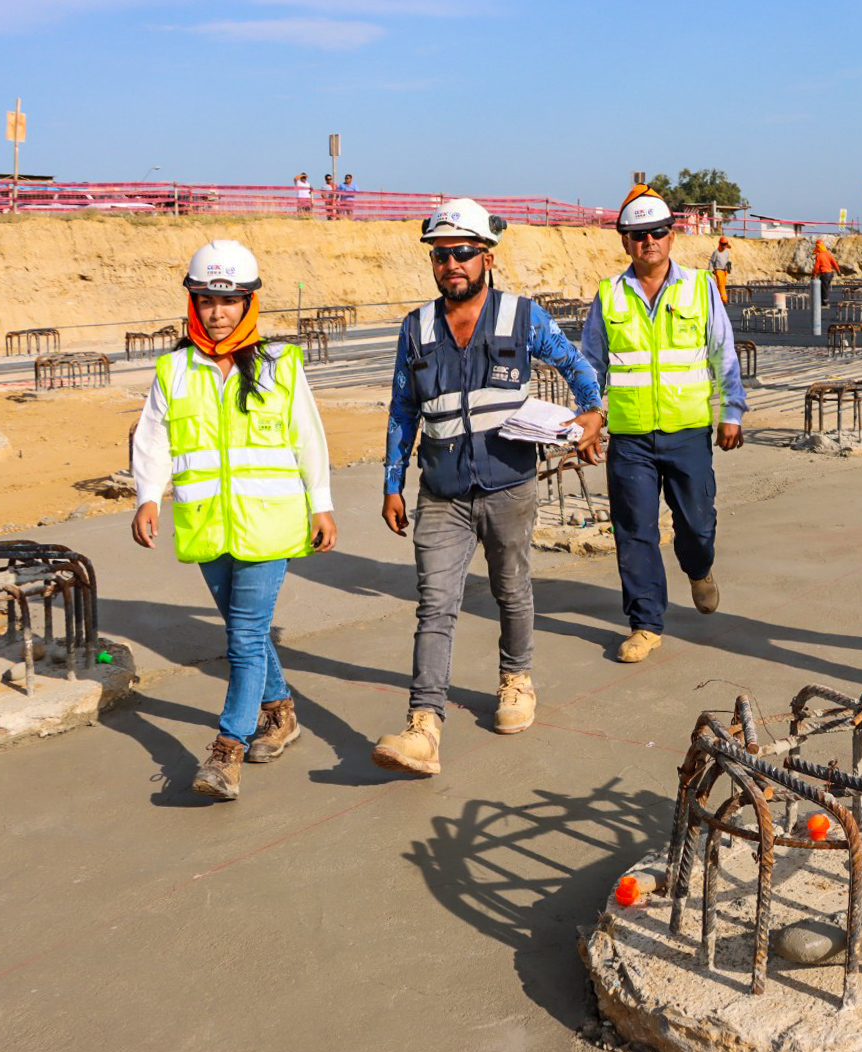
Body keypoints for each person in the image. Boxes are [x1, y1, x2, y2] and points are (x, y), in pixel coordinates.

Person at [374, 198, 605, 776]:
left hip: (508, 485)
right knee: (435, 606)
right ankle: (423, 725)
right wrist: (392, 483)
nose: (451, 264)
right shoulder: (416, 328)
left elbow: (579, 368)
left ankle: (515, 679)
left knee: (511, 588)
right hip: (442, 492)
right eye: (441, 255)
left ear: (486, 257)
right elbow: (403, 410)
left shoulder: (521, 317)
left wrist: (592, 415)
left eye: (463, 254)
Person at [130, 240, 337, 800]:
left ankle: (227, 749)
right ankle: (280, 711)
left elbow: (308, 437)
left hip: (270, 524)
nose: (217, 312)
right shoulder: (175, 368)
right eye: (205, 300)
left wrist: (321, 503)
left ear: (250, 303)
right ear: (192, 301)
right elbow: (153, 436)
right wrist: (148, 495)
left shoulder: (280, 365)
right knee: (245, 632)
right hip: (206, 524)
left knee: (244, 636)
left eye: (229, 301)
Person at [579, 185, 749, 664]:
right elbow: (591, 363)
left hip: (688, 431)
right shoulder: (609, 295)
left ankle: (699, 569)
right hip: (631, 436)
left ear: (671, 237)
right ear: (624, 241)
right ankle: (645, 624)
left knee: (697, 525)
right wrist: (590, 416)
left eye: (656, 232)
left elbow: (724, 353)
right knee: (634, 530)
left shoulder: (698, 287)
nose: (647, 241)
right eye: (637, 234)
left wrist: (731, 411)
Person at [813, 238, 840, 307]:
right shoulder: (829, 254)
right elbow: (834, 262)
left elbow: (817, 267)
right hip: (830, 274)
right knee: (826, 287)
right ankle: (824, 301)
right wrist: (838, 270)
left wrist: (814, 275)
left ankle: (825, 302)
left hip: (824, 274)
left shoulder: (819, 256)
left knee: (823, 288)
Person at [709, 237, 733, 304]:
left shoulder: (727, 252)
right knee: (721, 285)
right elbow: (711, 262)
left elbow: (727, 260)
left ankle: (719, 299)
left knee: (723, 285)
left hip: (724, 270)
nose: (724, 245)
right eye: (723, 244)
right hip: (718, 270)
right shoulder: (716, 253)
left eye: (725, 244)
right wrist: (710, 270)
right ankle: (724, 299)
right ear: (720, 244)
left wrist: (729, 265)